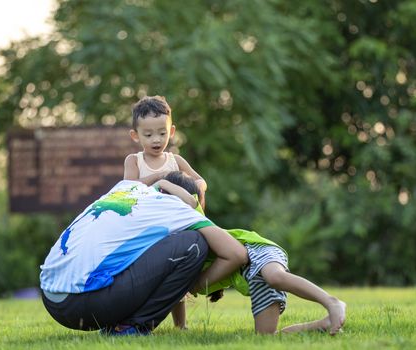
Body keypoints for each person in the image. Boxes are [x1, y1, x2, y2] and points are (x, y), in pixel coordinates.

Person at [40, 180, 247, 336]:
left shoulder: (124, 188)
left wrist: (161, 180)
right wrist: (192, 286)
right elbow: (237, 254)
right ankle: (132, 326)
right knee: (195, 243)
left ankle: (120, 322)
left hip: (51, 299)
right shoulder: (177, 206)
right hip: (84, 305)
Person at [158, 171, 347, 335]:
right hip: (250, 278)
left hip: (255, 250)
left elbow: (189, 200)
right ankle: (323, 324)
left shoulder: (193, 216)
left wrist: (162, 183)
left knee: (275, 276)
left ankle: (331, 302)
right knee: (266, 337)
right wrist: (180, 326)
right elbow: (178, 288)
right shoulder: (173, 241)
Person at [123, 95, 207, 208]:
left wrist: (198, 186)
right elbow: (127, 188)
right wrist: (159, 176)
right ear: (135, 135)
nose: (156, 140)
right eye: (148, 135)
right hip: (146, 215)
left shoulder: (175, 160)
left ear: (171, 131)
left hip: (174, 214)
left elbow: (201, 181)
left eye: (162, 133)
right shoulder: (134, 161)